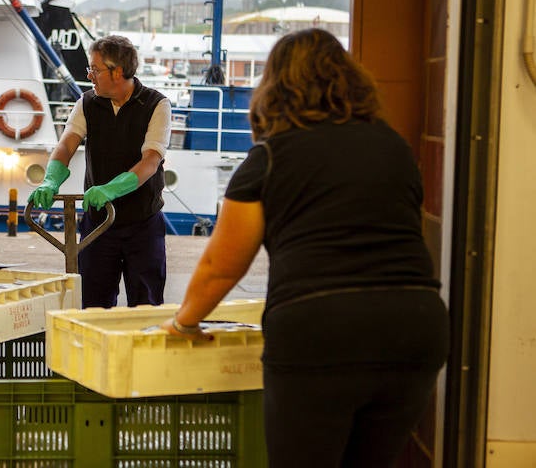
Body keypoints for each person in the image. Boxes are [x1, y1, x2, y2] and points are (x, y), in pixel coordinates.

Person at [162, 29, 449, 467]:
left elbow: (223, 265)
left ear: (274, 89)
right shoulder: (393, 147)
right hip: (415, 326)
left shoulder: (270, 158)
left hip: (319, 329)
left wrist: (184, 323)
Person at [29, 35, 172, 308]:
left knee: (146, 305)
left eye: (94, 69)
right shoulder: (87, 103)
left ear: (117, 72)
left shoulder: (157, 105)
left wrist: (111, 189)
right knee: (93, 304)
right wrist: (51, 180)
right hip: (98, 225)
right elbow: (66, 144)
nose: (90, 75)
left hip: (143, 223)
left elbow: (151, 161)